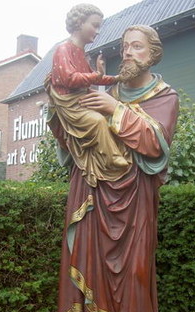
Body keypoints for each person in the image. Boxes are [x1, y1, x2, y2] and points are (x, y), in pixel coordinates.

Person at [47, 24, 179, 312]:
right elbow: (76, 138)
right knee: (87, 268)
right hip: (91, 197)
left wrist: (115, 109)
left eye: (136, 47)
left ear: (153, 54)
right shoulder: (100, 91)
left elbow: (155, 144)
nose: (128, 53)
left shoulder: (165, 96)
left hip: (134, 204)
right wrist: (60, 108)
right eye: (124, 47)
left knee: (132, 277)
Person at [45, 3, 132, 188]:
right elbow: (69, 78)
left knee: (109, 117)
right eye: (95, 25)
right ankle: (113, 159)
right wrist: (97, 75)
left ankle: (107, 156)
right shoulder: (63, 49)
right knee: (98, 121)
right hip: (70, 105)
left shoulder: (81, 52)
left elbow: (92, 77)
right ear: (79, 23)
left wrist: (116, 78)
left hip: (81, 100)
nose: (97, 31)